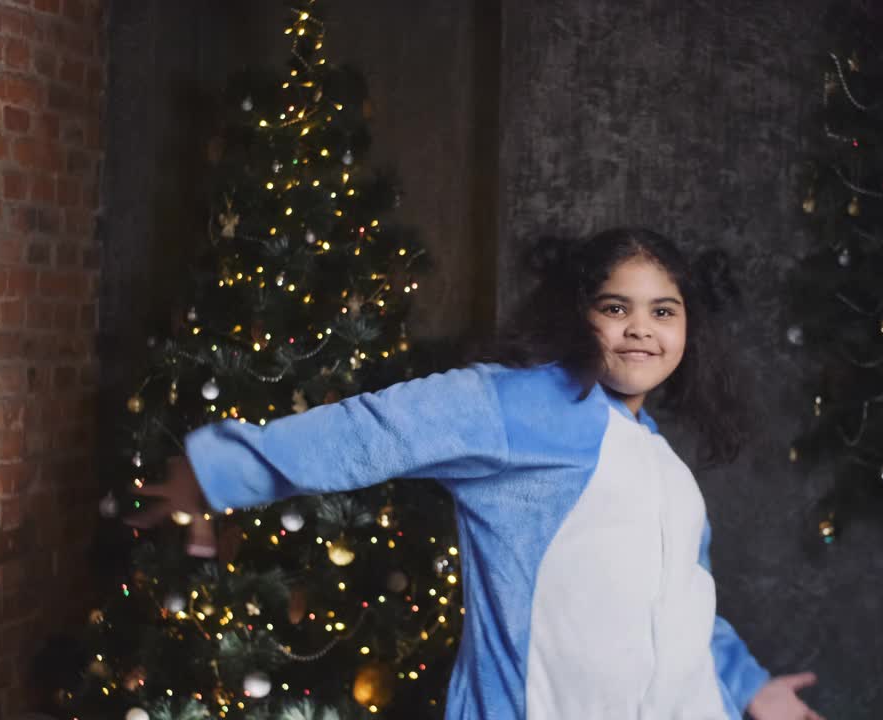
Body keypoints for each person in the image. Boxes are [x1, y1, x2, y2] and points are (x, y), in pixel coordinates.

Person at [128, 227, 824, 720]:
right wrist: (217, 467)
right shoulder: (525, 405)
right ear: (577, 315)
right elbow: (374, 430)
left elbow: (682, 609)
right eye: (616, 307)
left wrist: (751, 687)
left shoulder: (668, 469)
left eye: (663, 311)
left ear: (688, 329)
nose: (641, 328)